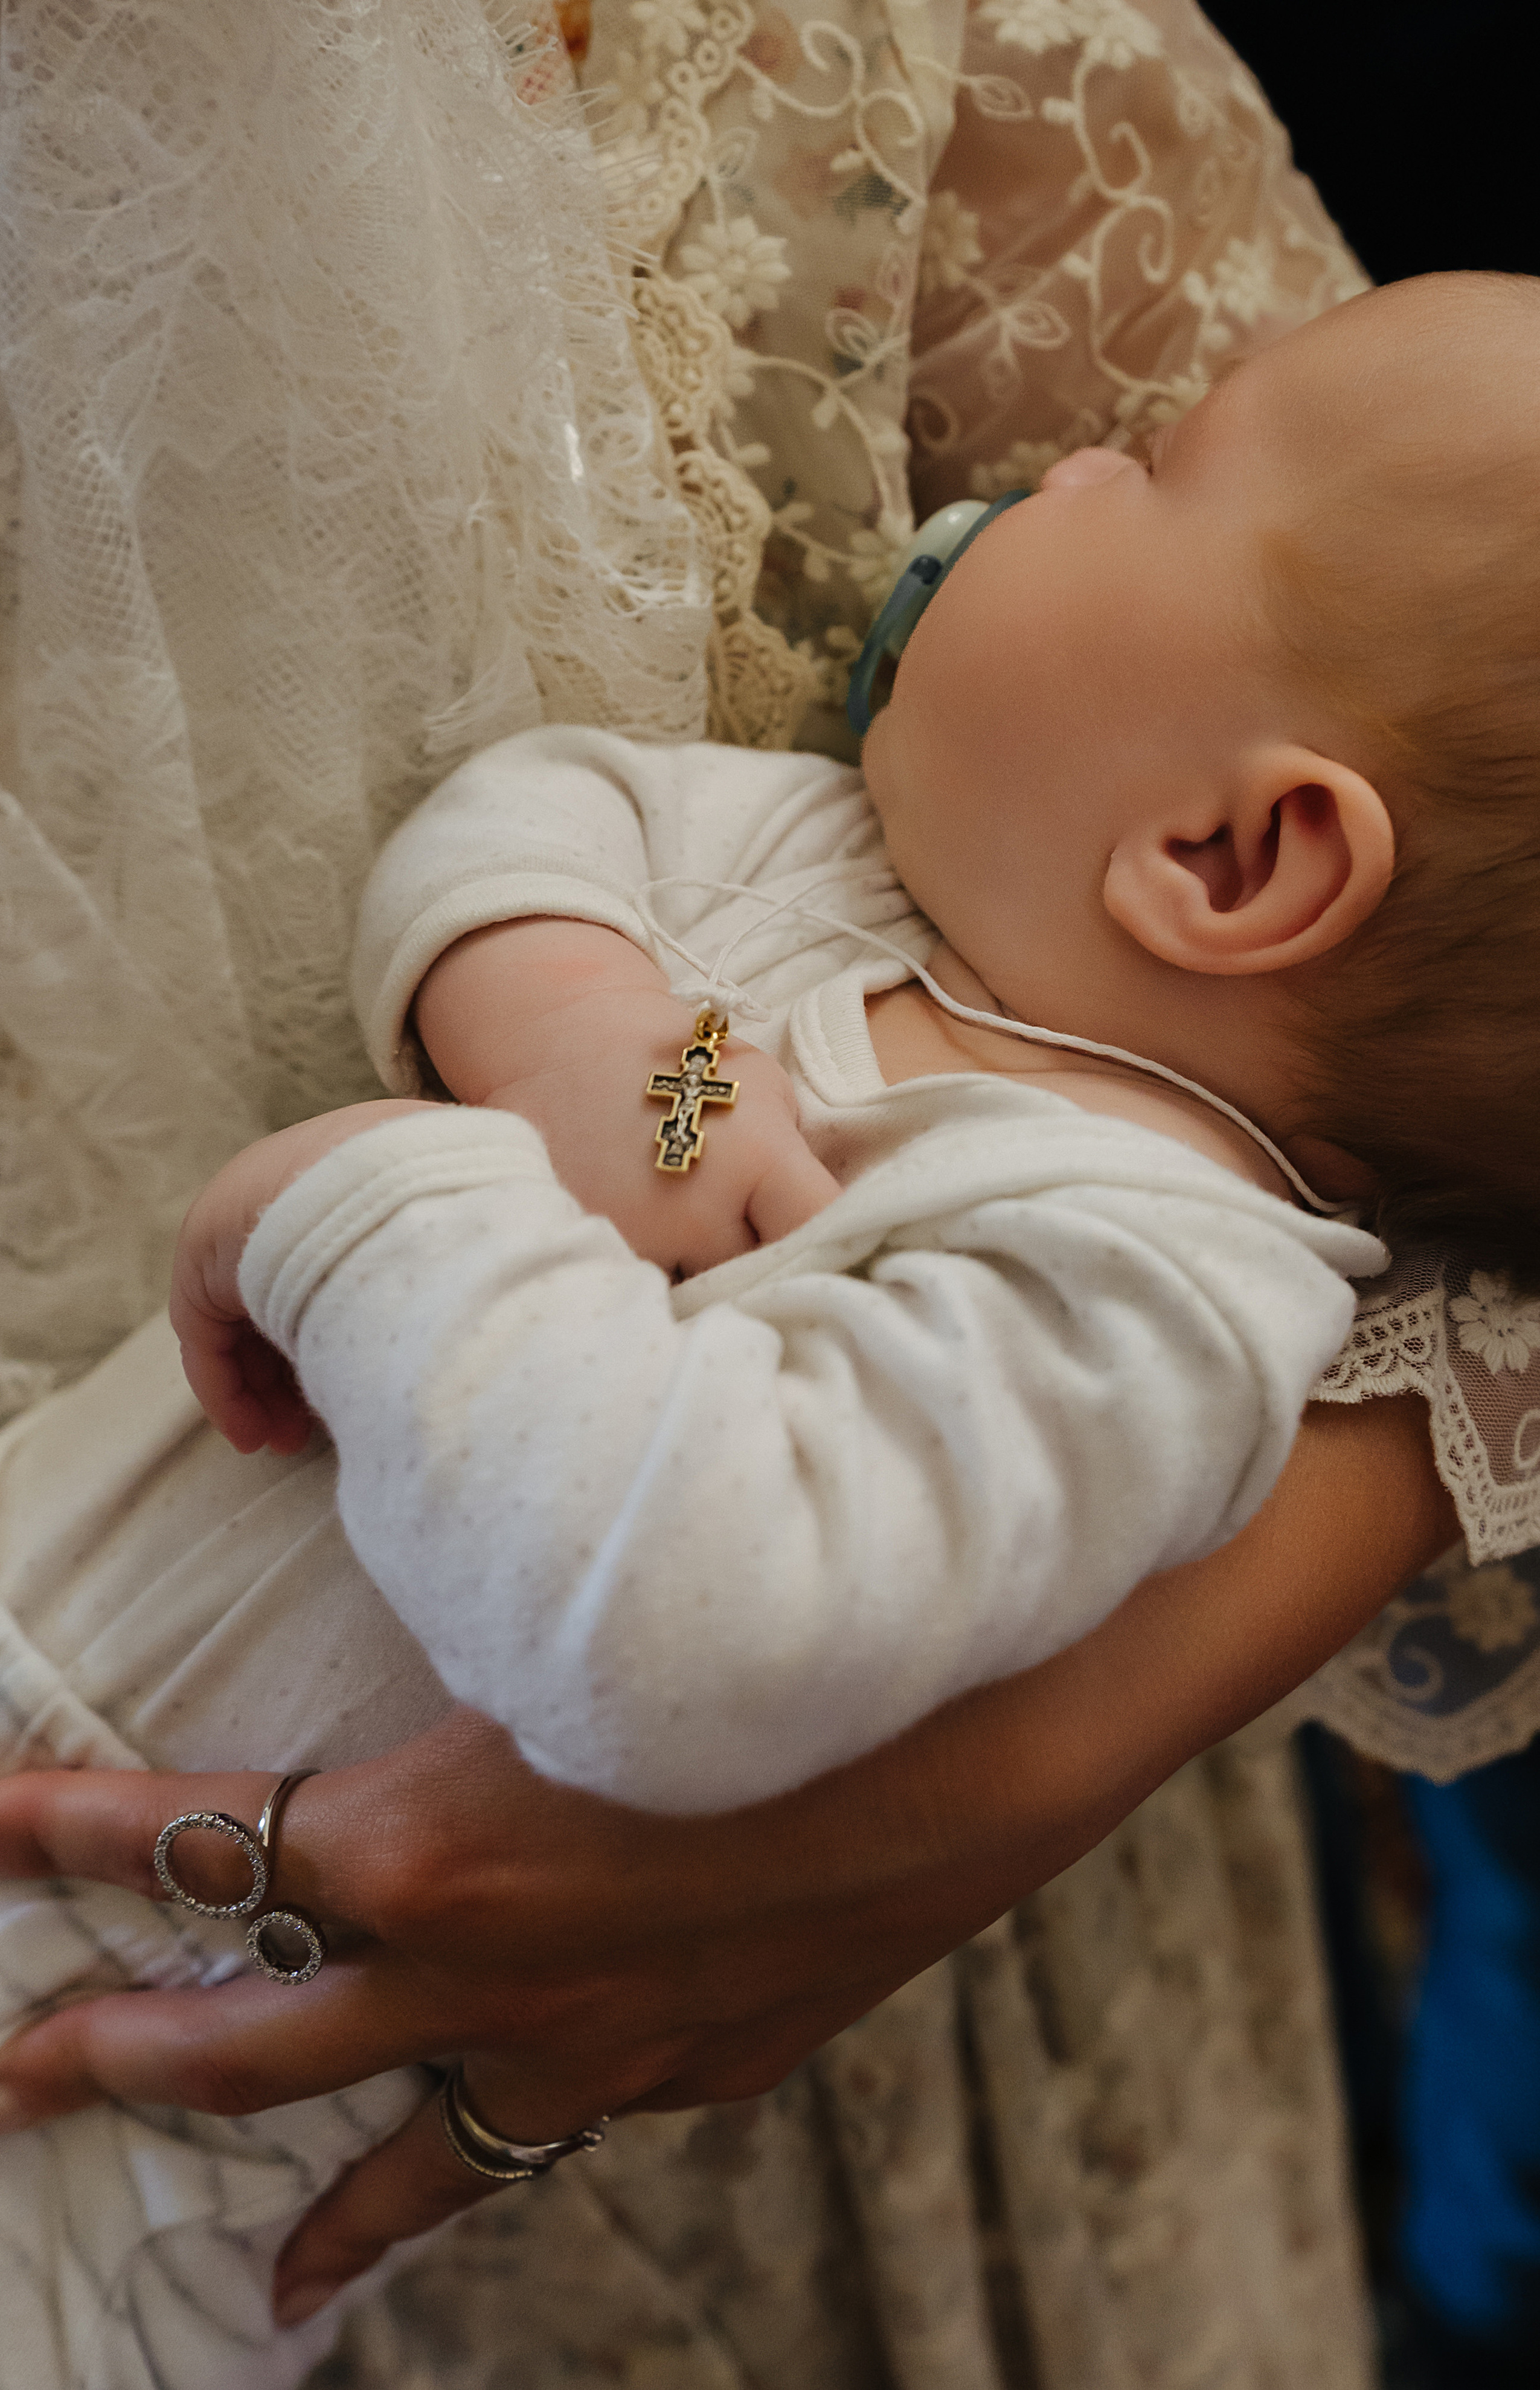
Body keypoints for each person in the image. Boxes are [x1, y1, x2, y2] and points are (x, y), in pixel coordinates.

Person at [164, 271, 1533, 1822]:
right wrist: (575, 1022)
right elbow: (542, 813)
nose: (1071, 463)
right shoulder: (853, 858)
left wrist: (371, 1211)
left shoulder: (1130, 1296)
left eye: (1154, 468)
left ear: (1229, 857)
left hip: (159, 1878)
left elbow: (681, 1634)